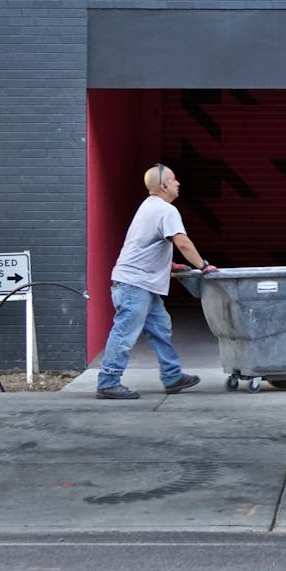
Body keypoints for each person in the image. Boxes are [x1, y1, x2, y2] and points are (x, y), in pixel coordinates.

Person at [96, 163, 218, 400]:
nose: (178, 183)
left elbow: (145, 244)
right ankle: (108, 382)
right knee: (124, 333)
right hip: (135, 285)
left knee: (161, 328)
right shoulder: (166, 210)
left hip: (140, 285)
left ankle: (172, 376)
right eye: (174, 180)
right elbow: (181, 242)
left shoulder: (147, 207)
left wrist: (168, 265)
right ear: (163, 186)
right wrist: (203, 266)